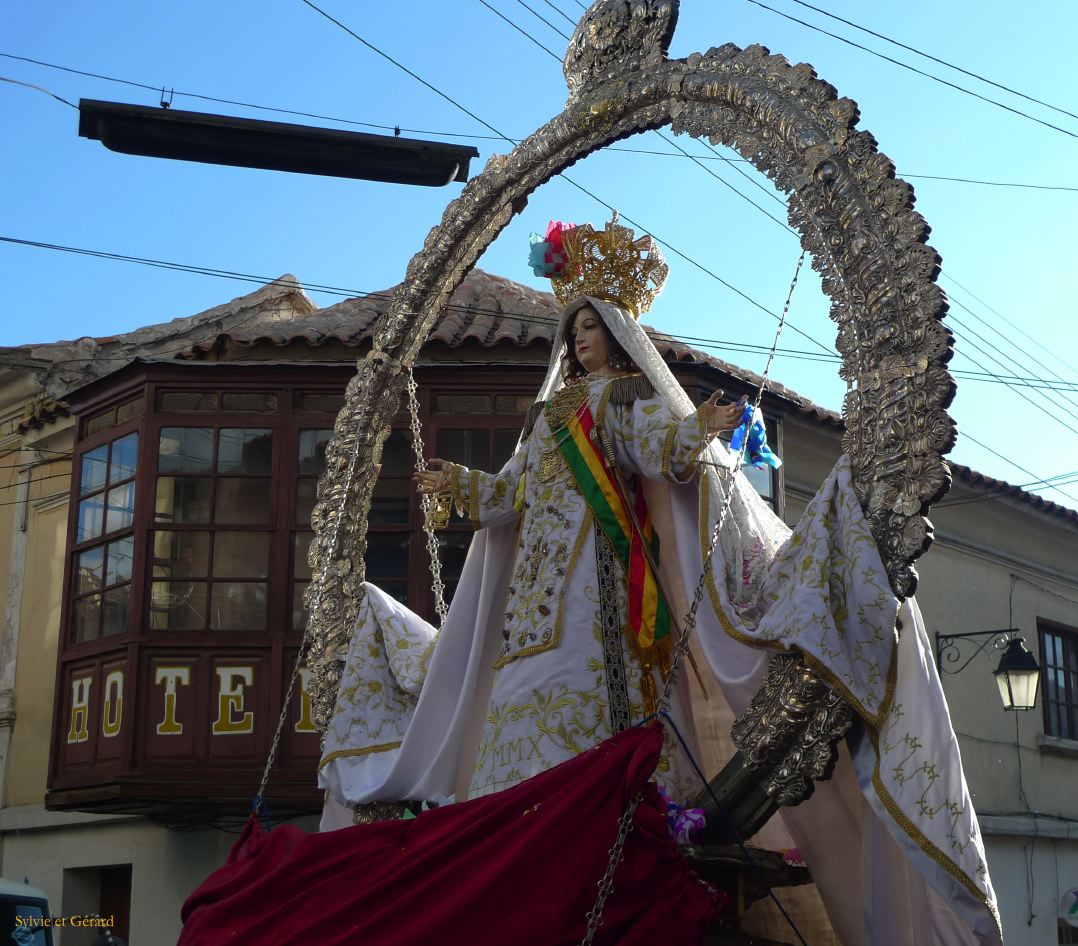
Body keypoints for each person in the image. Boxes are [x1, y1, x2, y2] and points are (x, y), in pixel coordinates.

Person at [318, 217, 1002, 946]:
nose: (579, 338)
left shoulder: (616, 402)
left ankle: (597, 812)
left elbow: (657, 447)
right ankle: (514, 818)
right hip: (533, 597)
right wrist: (459, 484)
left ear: (616, 333)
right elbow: (510, 494)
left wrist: (696, 428)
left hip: (598, 585)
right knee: (515, 694)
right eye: (573, 327)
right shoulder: (550, 413)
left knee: (583, 689)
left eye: (591, 326)